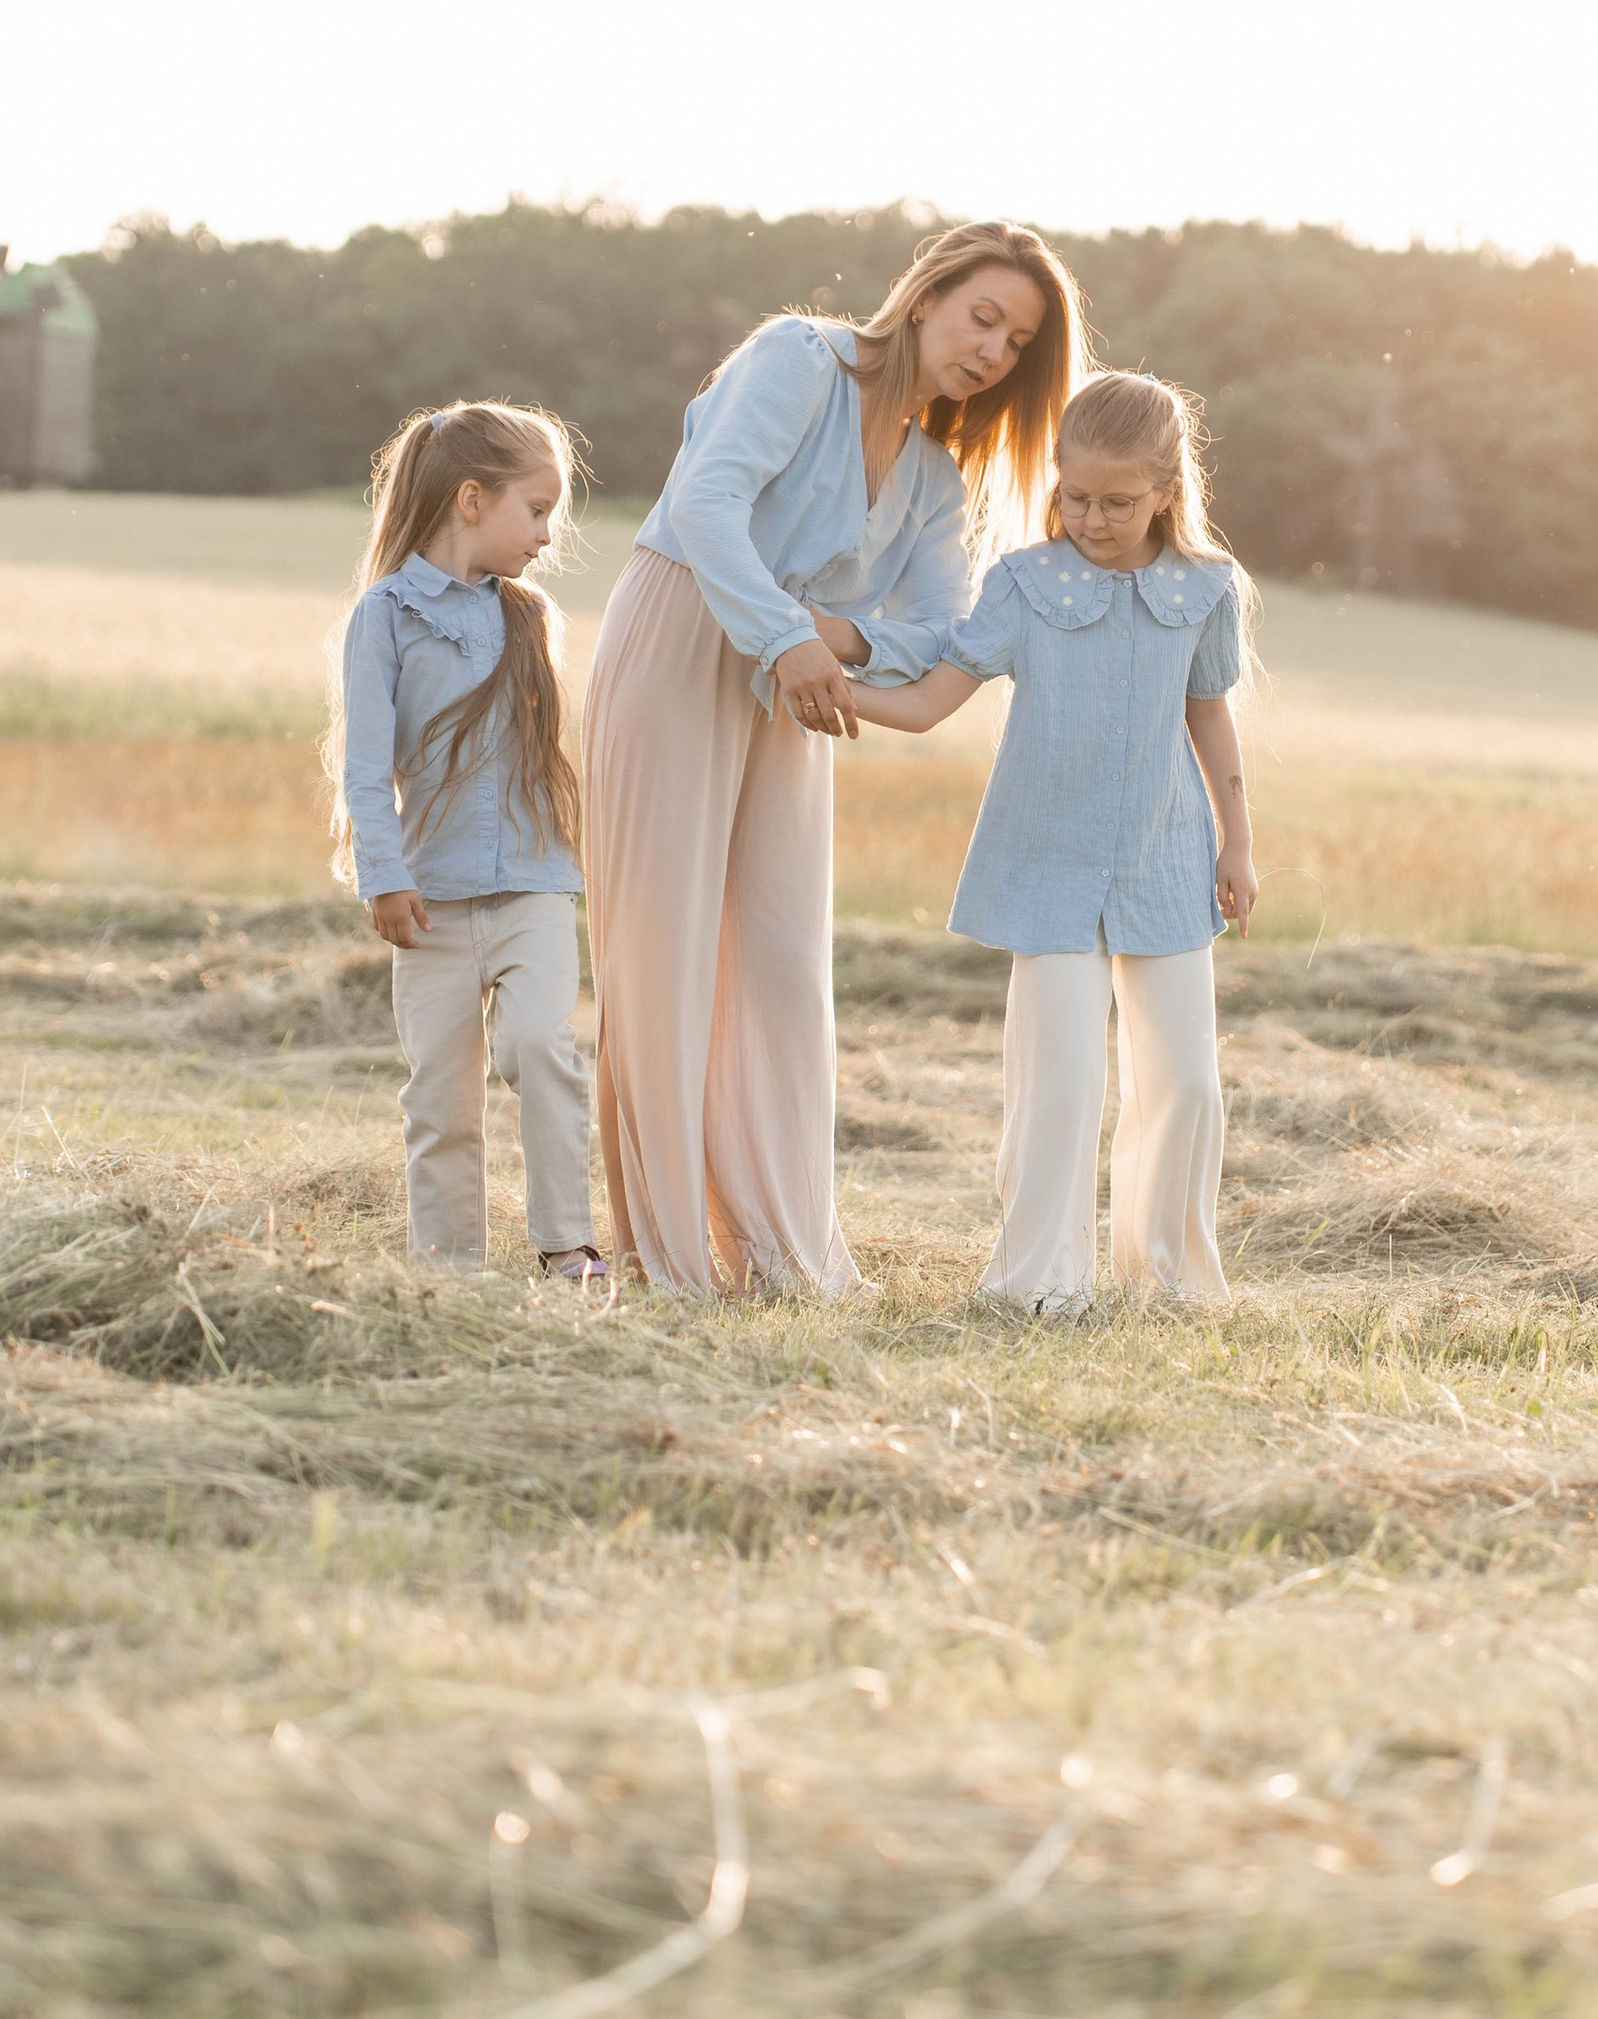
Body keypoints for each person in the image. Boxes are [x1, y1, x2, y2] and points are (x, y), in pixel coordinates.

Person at [583, 222, 1090, 1295]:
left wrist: (830, 640)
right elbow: (707, 507)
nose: (992, 352)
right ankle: (669, 1256)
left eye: (1017, 342)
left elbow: (942, 635)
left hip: (793, 684)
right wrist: (791, 634)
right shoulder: (795, 359)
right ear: (925, 298)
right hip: (682, 632)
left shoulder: (935, 482)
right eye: (982, 317)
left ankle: (781, 1248)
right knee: (665, 944)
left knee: (777, 959)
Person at [849, 367, 1256, 1313]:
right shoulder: (1025, 584)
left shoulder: (1205, 588)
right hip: (1050, 866)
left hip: (1166, 858)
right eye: (1074, 496)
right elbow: (929, 701)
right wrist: (836, 692)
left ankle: (1168, 1282)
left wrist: (1238, 844)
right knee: (1062, 1082)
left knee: (1187, 1081)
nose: (1093, 517)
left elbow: (1212, 720)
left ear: (1166, 490)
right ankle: (1040, 1284)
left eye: (1119, 501)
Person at [331, 402, 609, 1284]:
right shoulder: (384, 617)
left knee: (539, 1044)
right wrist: (384, 875)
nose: (547, 534)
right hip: (432, 899)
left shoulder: (529, 618)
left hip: (534, 886)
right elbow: (366, 768)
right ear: (472, 499)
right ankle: (447, 1271)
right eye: (538, 511)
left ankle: (567, 1245)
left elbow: (552, 758)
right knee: (442, 1097)